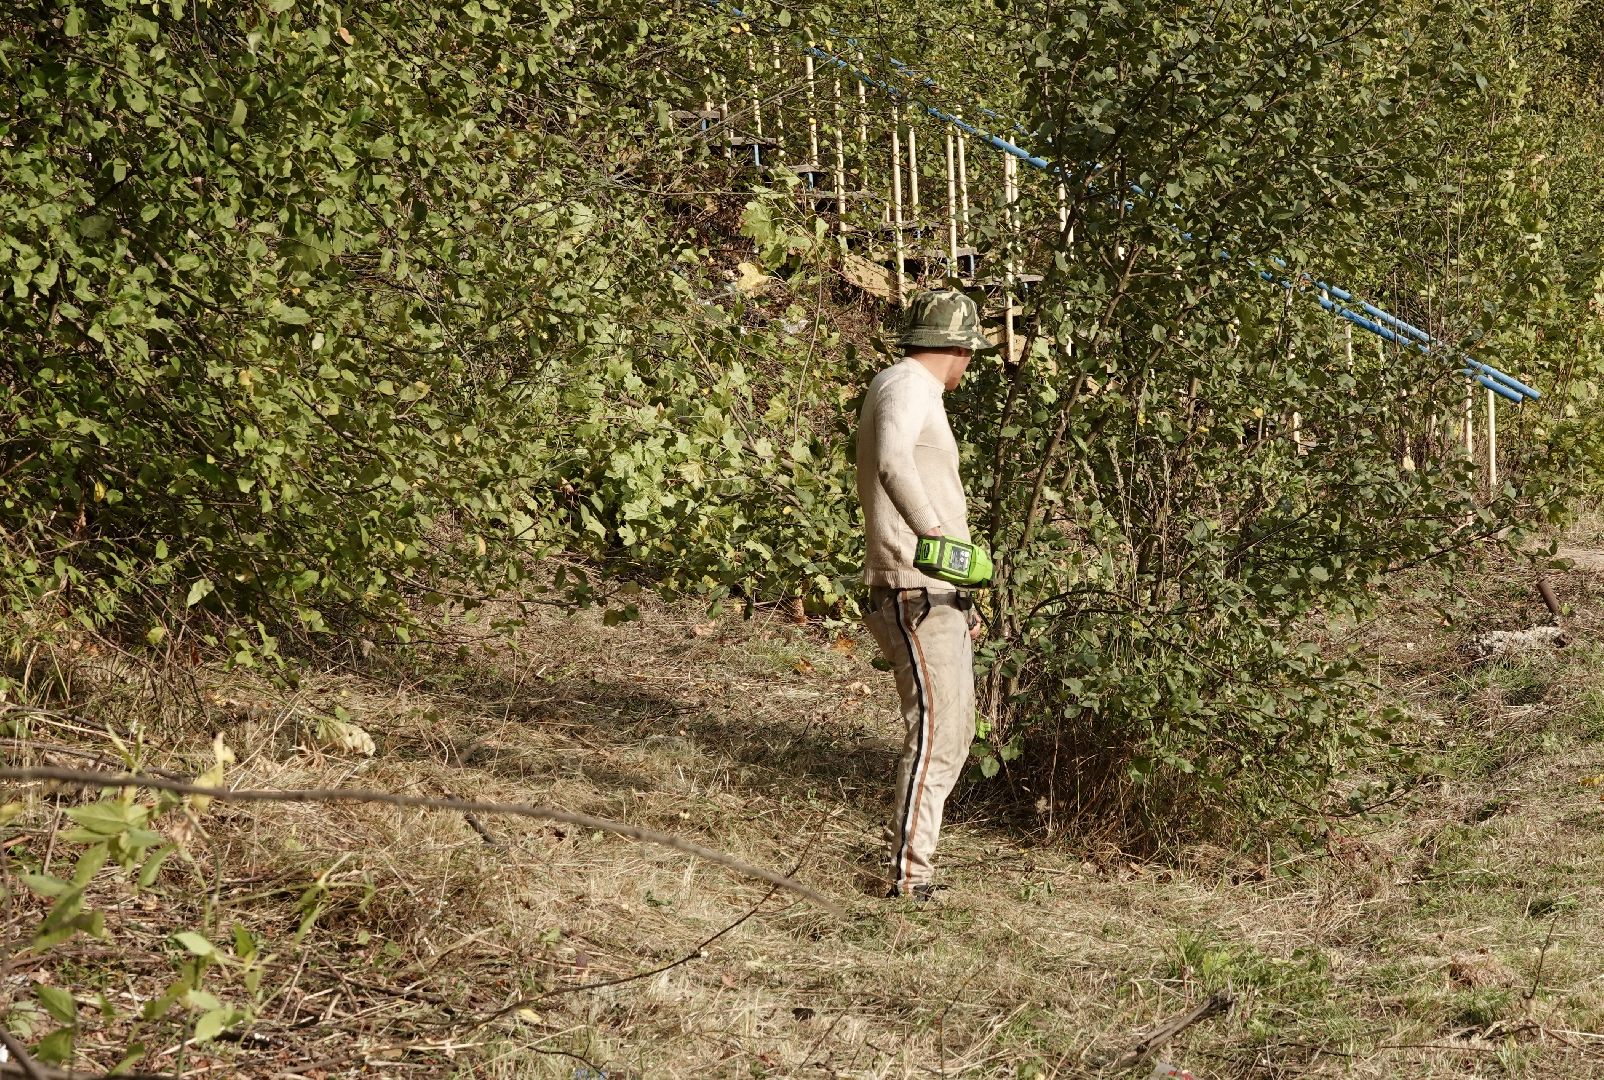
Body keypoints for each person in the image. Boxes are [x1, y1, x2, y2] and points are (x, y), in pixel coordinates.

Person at [855, 288, 994, 903]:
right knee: (936, 732)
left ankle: (916, 868)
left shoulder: (915, 391)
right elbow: (891, 462)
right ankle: (910, 876)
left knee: (953, 732)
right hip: (914, 584)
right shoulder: (906, 384)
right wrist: (934, 536)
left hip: (938, 589)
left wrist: (965, 596)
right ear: (957, 347)